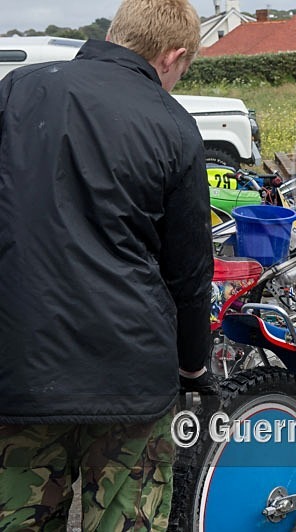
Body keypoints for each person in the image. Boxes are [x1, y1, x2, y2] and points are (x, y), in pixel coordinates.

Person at [0, 0, 214, 530]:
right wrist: (193, 365)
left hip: (20, 369)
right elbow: (188, 272)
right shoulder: (172, 122)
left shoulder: (16, 90)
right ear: (174, 56)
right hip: (130, 381)